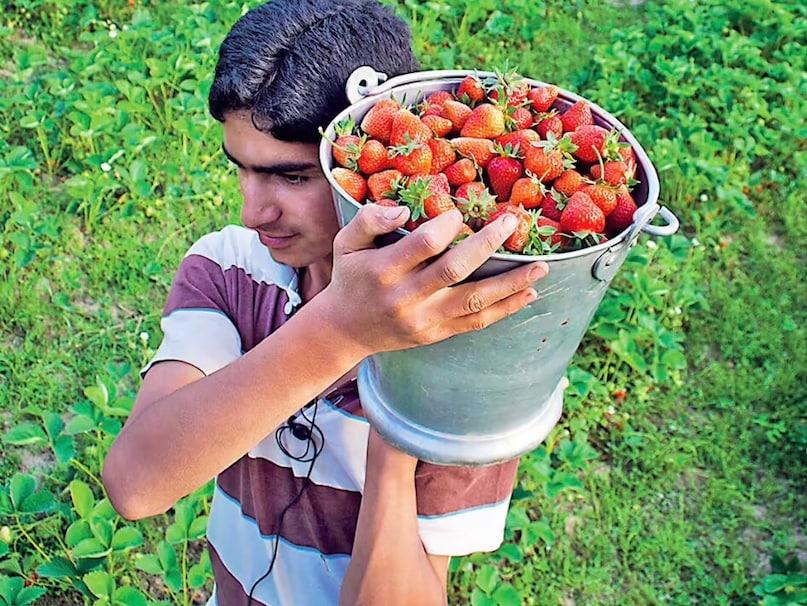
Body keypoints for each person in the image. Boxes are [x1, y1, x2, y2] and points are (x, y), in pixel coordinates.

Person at [102, 1, 553, 604]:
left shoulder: (466, 346)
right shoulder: (232, 269)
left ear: (380, 166)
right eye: (242, 170)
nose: (253, 212)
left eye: (291, 177)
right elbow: (137, 484)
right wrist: (340, 330)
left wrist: (398, 384)